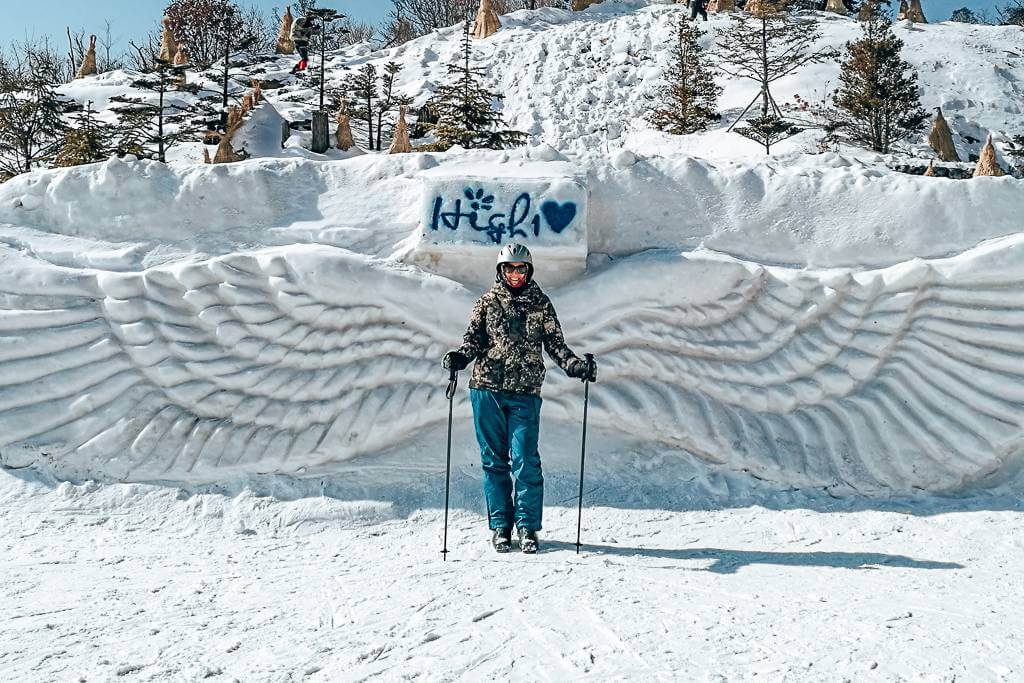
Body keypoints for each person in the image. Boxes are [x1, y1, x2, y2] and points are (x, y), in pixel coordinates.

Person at [443, 244, 597, 555]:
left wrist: (576, 366)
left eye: (521, 268)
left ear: (529, 271)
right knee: (493, 461)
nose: (515, 273)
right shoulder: (486, 303)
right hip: (486, 389)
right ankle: (501, 526)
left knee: (526, 459)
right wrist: (460, 358)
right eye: (509, 268)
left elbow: (556, 346)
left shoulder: (540, 304)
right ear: (500, 270)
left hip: (525, 392)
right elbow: (473, 340)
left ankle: (527, 526)